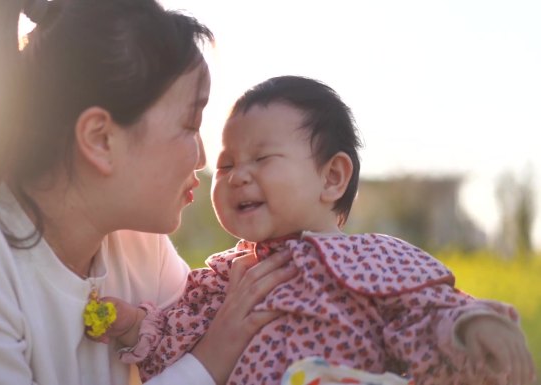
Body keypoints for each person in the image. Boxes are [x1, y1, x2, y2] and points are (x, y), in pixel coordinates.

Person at [0, 1, 299, 384]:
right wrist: (213, 357)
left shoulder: (137, 244)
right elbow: (216, 351)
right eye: (189, 125)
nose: (202, 157)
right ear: (101, 139)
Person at [97, 76, 537, 385]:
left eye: (262, 159)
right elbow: (181, 341)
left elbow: (426, 311)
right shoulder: (222, 279)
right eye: (227, 164)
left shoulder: (373, 259)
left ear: (332, 178)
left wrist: (474, 324)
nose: (236, 176)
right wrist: (138, 325)